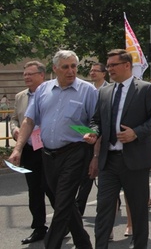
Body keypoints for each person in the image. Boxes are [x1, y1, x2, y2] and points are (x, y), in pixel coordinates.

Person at [8, 50, 98, 249]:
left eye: (74, 66)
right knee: (63, 202)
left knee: (63, 203)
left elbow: (96, 122)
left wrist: (95, 156)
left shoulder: (88, 91)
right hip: (48, 155)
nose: (71, 71)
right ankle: (84, 244)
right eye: (65, 67)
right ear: (55, 69)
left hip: (75, 152)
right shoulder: (43, 90)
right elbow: (29, 120)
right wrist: (18, 149)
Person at [89, 49, 151, 249]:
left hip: (135, 160)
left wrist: (136, 133)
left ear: (127, 65)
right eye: (108, 65)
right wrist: (93, 132)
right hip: (109, 160)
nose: (109, 69)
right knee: (103, 209)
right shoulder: (104, 91)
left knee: (138, 211)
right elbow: (96, 120)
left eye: (113, 65)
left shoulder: (145, 89)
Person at [10, 61, 55, 244]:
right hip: (29, 149)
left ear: (41, 75)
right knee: (34, 190)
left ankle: (66, 221)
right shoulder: (21, 96)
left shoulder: (52, 93)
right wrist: (14, 129)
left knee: (50, 187)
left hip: (48, 148)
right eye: (25, 74)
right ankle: (39, 228)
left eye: (31, 74)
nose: (27, 77)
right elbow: (14, 118)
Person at [76, 62, 110, 216]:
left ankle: (112, 201)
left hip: (102, 141)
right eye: (91, 70)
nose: (93, 73)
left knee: (98, 177)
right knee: (85, 177)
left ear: (104, 74)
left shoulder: (109, 91)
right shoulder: (85, 91)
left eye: (97, 70)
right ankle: (78, 209)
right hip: (86, 139)